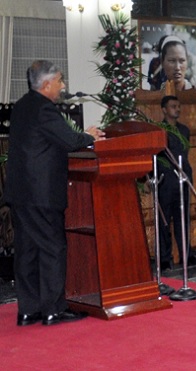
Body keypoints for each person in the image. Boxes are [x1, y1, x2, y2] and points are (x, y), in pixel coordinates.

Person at [4, 60, 106, 326]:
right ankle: (53, 309)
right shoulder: (44, 109)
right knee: (52, 248)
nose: (63, 86)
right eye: (60, 80)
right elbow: (70, 140)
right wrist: (90, 135)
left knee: (27, 250)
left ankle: (28, 310)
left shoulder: (22, 106)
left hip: (20, 192)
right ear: (47, 84)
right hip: (41, 193)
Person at [158, 95, 196, 270]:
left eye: (178, 106)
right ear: (164, 110)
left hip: (183, 178)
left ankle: (186, 255)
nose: (177, 109)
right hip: (166, 180)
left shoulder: (184, 130)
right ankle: (164, 258)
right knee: (164, 220)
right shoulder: (160, 130)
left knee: (183, 219)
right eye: (173, 106)